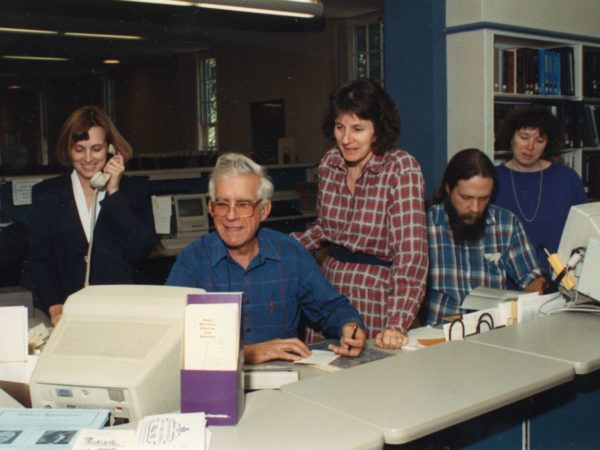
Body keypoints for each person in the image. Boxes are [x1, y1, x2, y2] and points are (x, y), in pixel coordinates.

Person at [167, 153, 366, 364]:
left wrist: (350, 326)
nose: (231, 216)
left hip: (285, 383)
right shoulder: (192, 261)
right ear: (210, 208)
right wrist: (247, 353)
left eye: (243, 205)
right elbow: (169, 338)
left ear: (264, 210)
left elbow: (332, 307)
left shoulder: (290, 253)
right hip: (217, 385)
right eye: (222, 204)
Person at [292, 78, 428, 349]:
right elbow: (325, 228)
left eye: (358, 129)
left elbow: (411, 255)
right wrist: (281, 247)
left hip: (377, 299)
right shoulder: (330, 162)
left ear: (377, 129)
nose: (346, 139)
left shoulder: (401, 169)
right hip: (329, 294)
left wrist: (396, 323)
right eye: (340, 127)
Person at [28, 106, 158, 325]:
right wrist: (54, 306)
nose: (88, 158)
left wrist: (114, 193)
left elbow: (141, 249)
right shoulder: (46, 194)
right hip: (66, 313)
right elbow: (39, 261)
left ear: (110, 148)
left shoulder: (134, 192)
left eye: (96, 148)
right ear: (68, 151)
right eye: (79, 149)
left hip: (122, 312)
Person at [421, 148, 545, 325]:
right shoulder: (423, 225)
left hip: (492, 333)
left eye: (483, 199)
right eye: (466, 197)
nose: (475, 208)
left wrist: (536, 295)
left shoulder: (507, 223)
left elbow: (531, 278)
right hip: (437, 335)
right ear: (448, 188)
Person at [494, 104, 587, 279]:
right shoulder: (492, 180)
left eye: (539, 140)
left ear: (548, 144)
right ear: (511, 137)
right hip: (506, 281)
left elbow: (585, 232)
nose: (530, 147)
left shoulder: (567, 178)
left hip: (561, 279)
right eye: (524, 137)